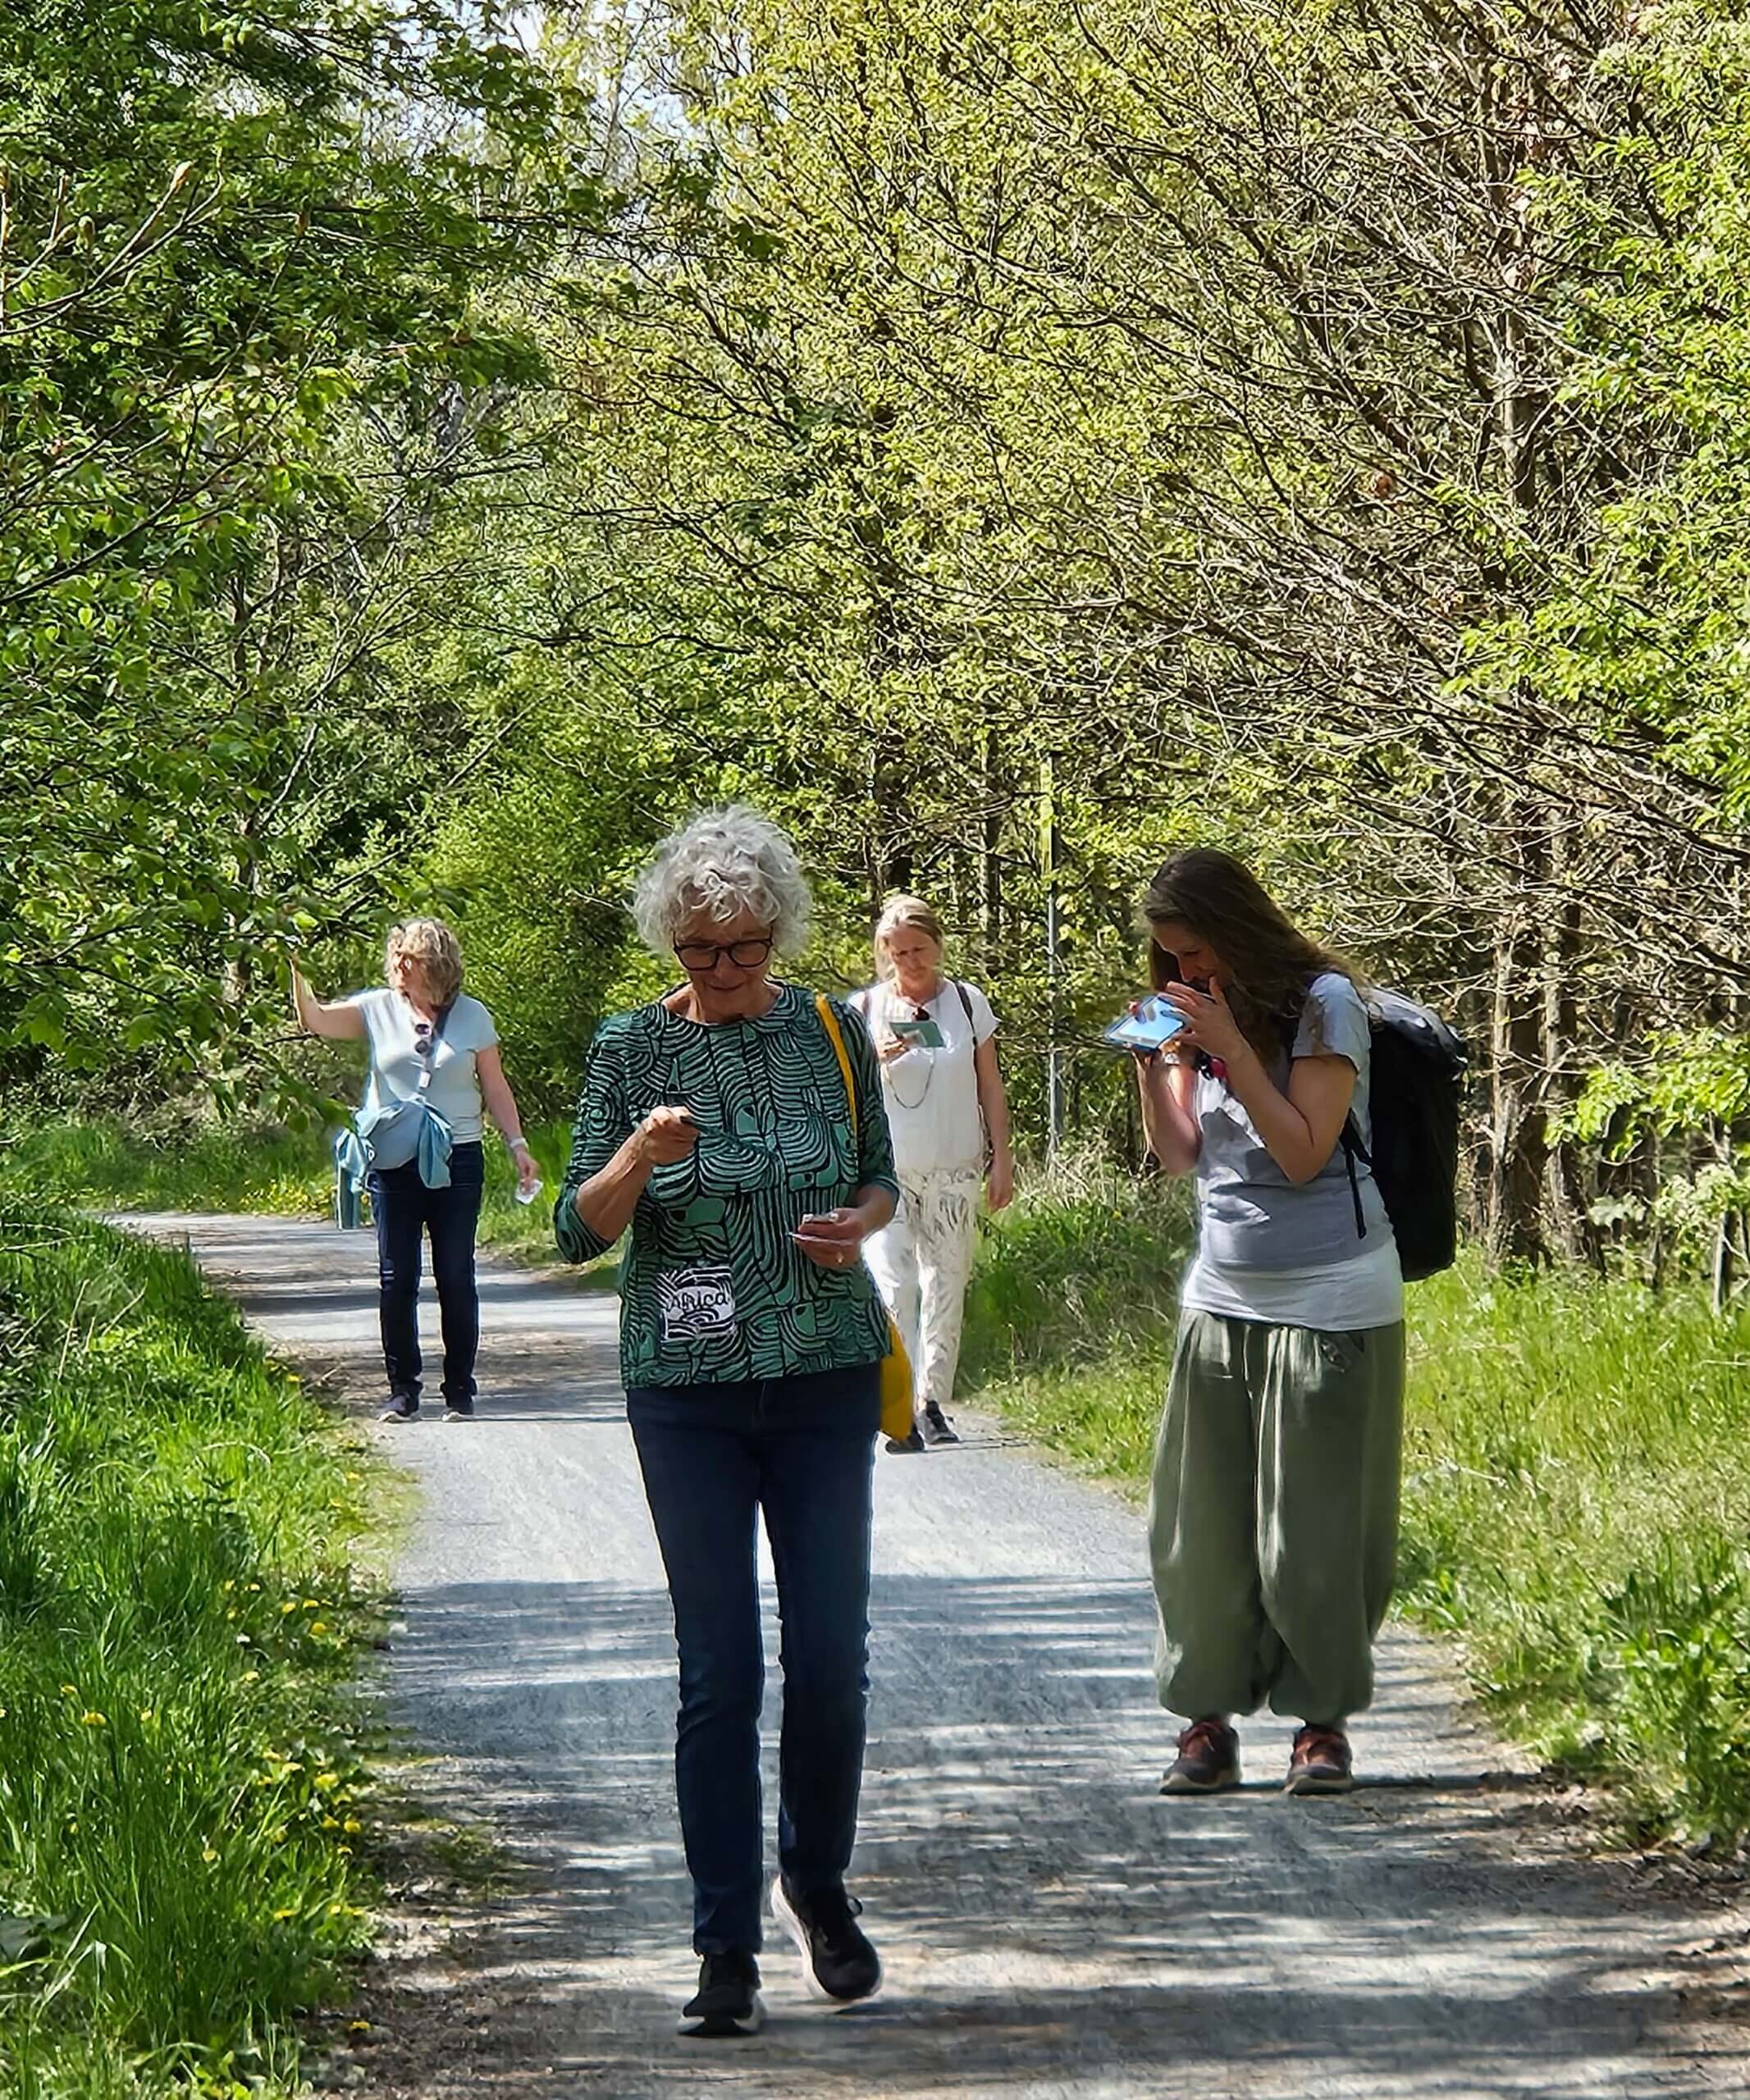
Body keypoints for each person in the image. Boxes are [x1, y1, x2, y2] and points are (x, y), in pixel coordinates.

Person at [554, 806, 897, 2040]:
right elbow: (575, 1231)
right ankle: (723, 1947)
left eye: (744, 948)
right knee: (721, 1673)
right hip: (686, 1391)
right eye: (700, 953)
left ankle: (817, 1883)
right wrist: (639, 1158)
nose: (725, 974)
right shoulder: (625, 1051)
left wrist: (857, 1225)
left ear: (778, 934)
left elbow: (878, 1174)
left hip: (822, 1373)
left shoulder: (830, 1030)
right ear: (670, 945)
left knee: (831, 1665)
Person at [1133, 848, 1404, 1797]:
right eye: (1171, 961)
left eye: (1198, 953)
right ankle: (1205, 1722)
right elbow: (1179, 1156)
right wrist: (1155, 1059)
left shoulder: (1326, 1001)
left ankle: (1320, 1726)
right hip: (1223, 1297)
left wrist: (1236, 1048)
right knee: (1199, 1527)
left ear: (1239, 928)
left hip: (1331, 1298)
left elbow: (1299, 1153)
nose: (1188, 975)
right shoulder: (1191, 1009)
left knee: (1316, 1531)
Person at [291, 920, 537, 1422]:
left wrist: (518, 1145)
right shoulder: (376, 1009)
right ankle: (402, 1391)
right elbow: (315, 1020)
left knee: (455, 1276)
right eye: (397, 955)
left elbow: (494, 1086)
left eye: (412, 958)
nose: (400, 966)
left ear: (438, 965)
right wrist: (293, 965)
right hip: (396, 1162)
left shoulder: (473, 1017)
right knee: (396, 1278)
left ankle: (460, 1392)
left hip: (458, 1158)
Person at [851, 896, 1014, 1451]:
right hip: (886, 1173)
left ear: (938, 946)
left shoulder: (966, 1004)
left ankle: (932, 1402)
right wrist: (877, 1056)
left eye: (919, 951)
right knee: (893, 1284)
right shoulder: (865, 1008)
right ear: (884, 954)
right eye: (898, 953)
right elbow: (841, 1092)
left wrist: (1002, 1157)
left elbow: (989, 1084)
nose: (910, 963)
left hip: (953, 1166)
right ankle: (896, 1407)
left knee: (945, 1282)